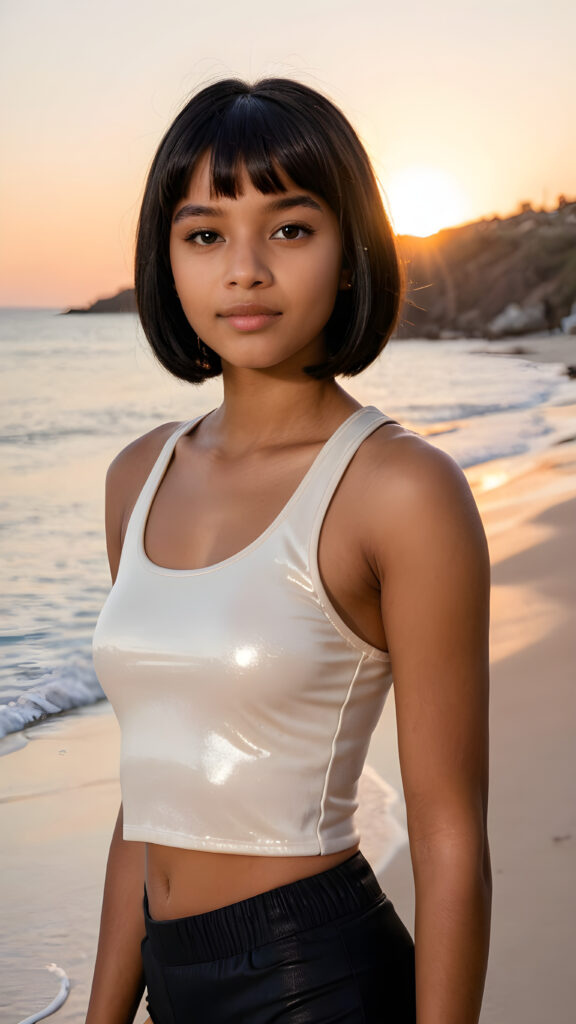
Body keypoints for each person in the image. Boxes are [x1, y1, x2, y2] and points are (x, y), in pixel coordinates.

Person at [87, 77, 491, 1024]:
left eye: (291, 229)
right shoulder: (137, 476)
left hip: (314, 983)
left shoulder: (402, 489)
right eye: (205, 235)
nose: (245, 271)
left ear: (350, 256)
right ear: (166, 259)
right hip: (168, 975)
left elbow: (450, 836)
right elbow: (147, 799)